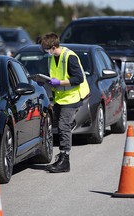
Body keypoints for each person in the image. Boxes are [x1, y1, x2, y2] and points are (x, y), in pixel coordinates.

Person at [40, 32, 90, 173]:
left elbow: (78, 78)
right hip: (60, 98)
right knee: (62, 126)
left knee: (63, 126)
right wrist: (46, 80)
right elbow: (54, 76)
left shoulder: (70, 57)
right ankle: (62, 156)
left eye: (47, 49)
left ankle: (65, 160)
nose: (46, 52)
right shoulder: (52, 58)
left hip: (72, 97)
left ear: (54, 46)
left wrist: (59, 82)